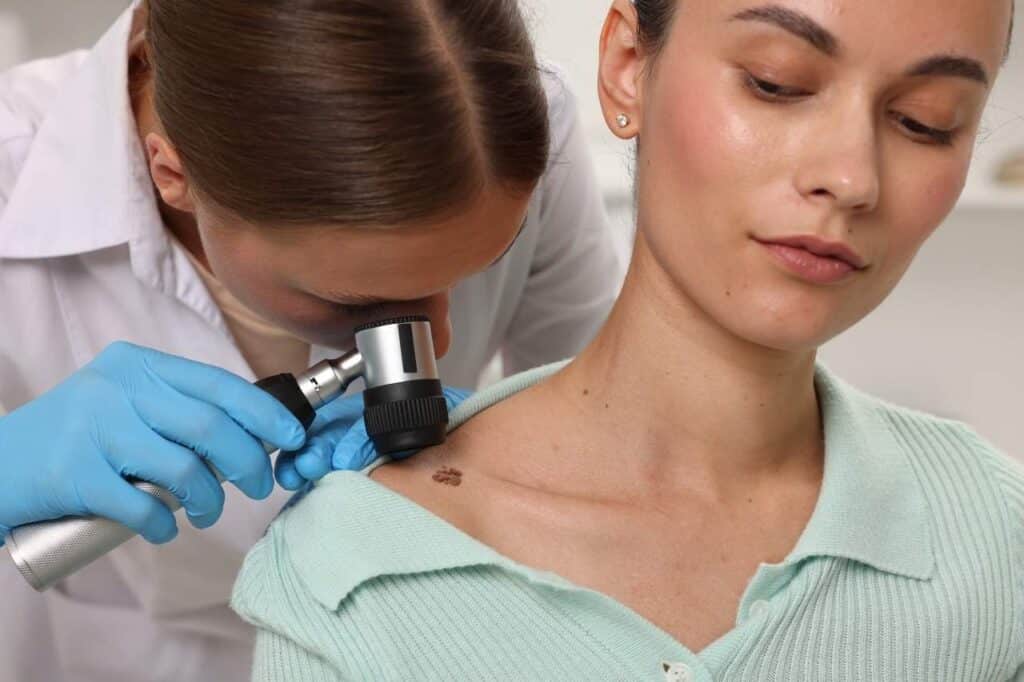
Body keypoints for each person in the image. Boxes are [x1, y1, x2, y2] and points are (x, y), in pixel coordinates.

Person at [233, 0, 1024, 679]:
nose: (851, 177)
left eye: (927, 122)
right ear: (627, 65)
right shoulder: (359, 571)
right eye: (776, 83)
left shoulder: (995, 538)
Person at [0, 0, 623, 679]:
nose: (439, 338)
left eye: (478, 270)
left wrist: (498, 458)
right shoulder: (14, 165)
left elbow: (608, 428)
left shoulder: (511, 129)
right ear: (171, 175)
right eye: (359, 301)